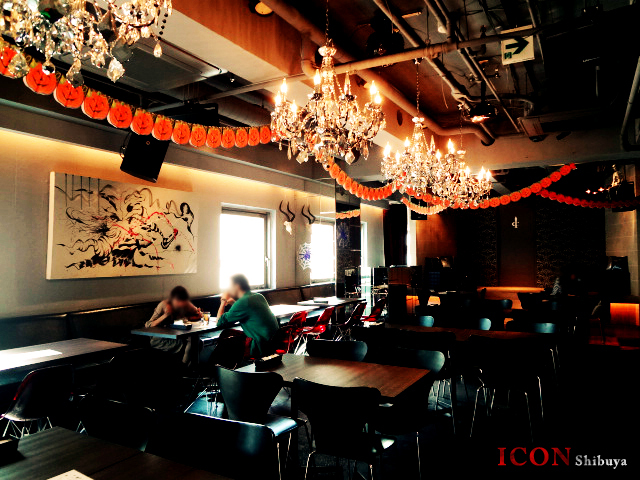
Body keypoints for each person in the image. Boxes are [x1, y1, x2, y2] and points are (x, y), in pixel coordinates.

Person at [216, 274, 279, 358]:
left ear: (237, 286)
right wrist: (234, 303)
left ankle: (217, 365)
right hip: (274, 342)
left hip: (260, 345)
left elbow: (219, 322)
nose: (228, 290)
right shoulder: (258, 296)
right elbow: (248, 310)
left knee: (226, 337)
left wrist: (223, 301)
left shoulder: (243, 302)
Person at [146, 286, 202, 364]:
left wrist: (197, 313)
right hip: (159, 339)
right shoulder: (163, 305)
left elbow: (194, 313)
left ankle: (188, 368)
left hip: (174, 335)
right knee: (191, 343)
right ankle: (184, 368)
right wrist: (165, 315)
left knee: (198, 342)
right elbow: (148, 325)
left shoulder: (182, 305)